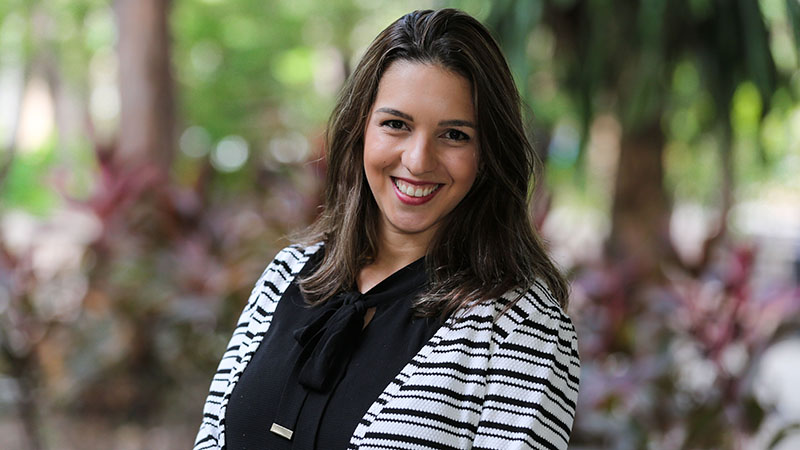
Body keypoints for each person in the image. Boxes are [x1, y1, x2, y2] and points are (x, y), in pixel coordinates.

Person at [195, 8, 579, 450]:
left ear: (488, 153)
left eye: (454, 135)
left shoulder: (521, 327)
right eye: (396, 124)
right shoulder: (286, 276)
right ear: (361, 130)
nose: (418, 160)